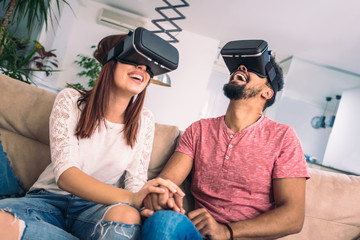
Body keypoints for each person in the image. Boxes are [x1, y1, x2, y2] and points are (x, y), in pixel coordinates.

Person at [0, 28, 184, 240]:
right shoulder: (70, 100)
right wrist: (133, 197)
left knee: (128, 216)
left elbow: (135, 181)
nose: (142, 67)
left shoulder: (145, 121)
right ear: (110, 63)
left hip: (98, 209)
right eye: (133, 60)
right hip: (48, 201)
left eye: (149, 67)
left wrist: (146, 198)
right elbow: (66, 176)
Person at [140, 40, 310, 240]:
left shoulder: (283, 137)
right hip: (196, 234)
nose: (241, 68)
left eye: (254, 68)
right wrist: (159, 196)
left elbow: (294, 218)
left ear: (267, 92)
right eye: (238, 66)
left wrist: (226, 231)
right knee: (161, 222)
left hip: (239, 236)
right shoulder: (200, 129)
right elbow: (166, 183)